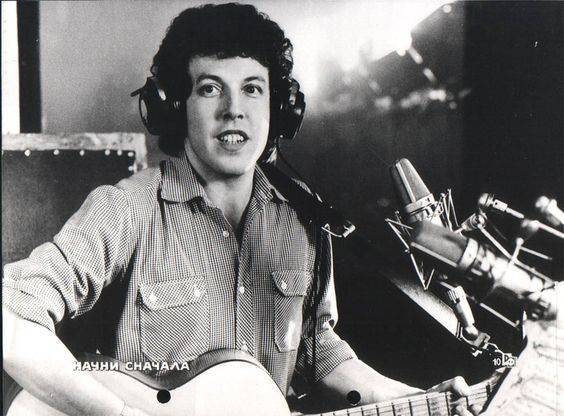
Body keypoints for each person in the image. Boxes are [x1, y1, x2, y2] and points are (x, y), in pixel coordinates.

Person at [3, 3, 478, 415]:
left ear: (278, 108)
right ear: (175, 107)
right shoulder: (126, 209)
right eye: (211, 88)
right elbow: (9, 318)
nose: (234, 109)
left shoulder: (305, 222)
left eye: (252, 88)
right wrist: (120, 413)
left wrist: (417, 399)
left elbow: (318, 355)